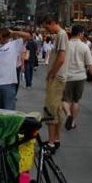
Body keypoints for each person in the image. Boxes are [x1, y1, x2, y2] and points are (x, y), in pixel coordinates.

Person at [40, 15, 68, 154]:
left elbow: (61, 58)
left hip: (57, 78)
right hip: (59, 77)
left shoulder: (61, 35)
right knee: (56, 109)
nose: (47, 30)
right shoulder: (60, 35)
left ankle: (51, 143)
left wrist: (52, 73)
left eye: (46, 26)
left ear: (51, 23)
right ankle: (55, 140)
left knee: (50, 109)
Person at [61, 25, 92, 130]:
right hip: (80, 77)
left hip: (67, 76)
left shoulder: (66, 45)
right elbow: (90, 64)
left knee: (64, 100)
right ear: (81, 33)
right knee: (76, 101)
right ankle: (72, 122)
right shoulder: (84, 46)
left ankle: (68, 114)